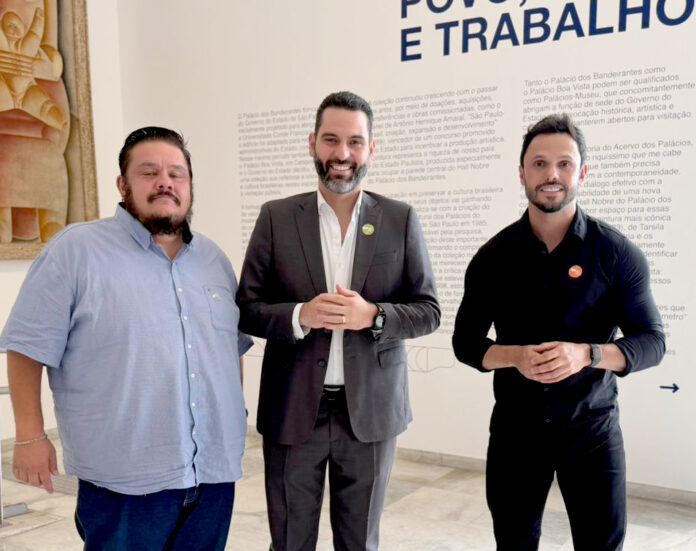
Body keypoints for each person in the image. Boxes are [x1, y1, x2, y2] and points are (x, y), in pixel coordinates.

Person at [1, 126, 252, 550]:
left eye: (176, 174)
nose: (165, 182)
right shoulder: (75, 251)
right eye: (149, 172)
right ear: (123, 184)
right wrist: (30, 436)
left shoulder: (213, 259)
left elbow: (231, 349)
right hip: (124, 484)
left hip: (212, 475)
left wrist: (236, 416)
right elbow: (27, 348)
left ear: (190, 186)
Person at [237, 91, 440, 551]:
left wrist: (374, 315)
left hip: (370, 412)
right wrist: (300, 314)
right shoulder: (276, 217)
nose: (342, 153)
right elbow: (247, 306)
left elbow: (428, 310)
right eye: (331, 139)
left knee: (360, 543)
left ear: (371, 149)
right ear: (312, 143)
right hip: (293, 409)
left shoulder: (400, 219)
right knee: (289, 542)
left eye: (354, 142)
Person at [452, 114, 665, 550]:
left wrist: (587, 354)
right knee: (514, 543)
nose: (552, 174)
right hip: (515, 433)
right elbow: (465, 342)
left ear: (582, 173)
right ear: (522, 173)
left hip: (592, 431)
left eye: (564, 164)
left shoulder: (616, 253)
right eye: (539, 164)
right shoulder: (493, 257)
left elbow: (652, 341)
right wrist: (514, 356)